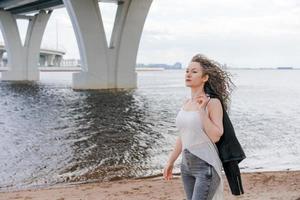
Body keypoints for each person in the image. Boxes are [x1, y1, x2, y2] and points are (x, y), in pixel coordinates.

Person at [163, 54, 235, 200]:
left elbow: (216, 135)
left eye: (194, 71)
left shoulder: (212, 103)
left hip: (205, 166)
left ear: (205, 78)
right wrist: (170, 162)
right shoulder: (186, 103)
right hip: (186, 167)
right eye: (187, 71)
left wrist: (202, 111)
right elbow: (183, 136)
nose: (188, 74)